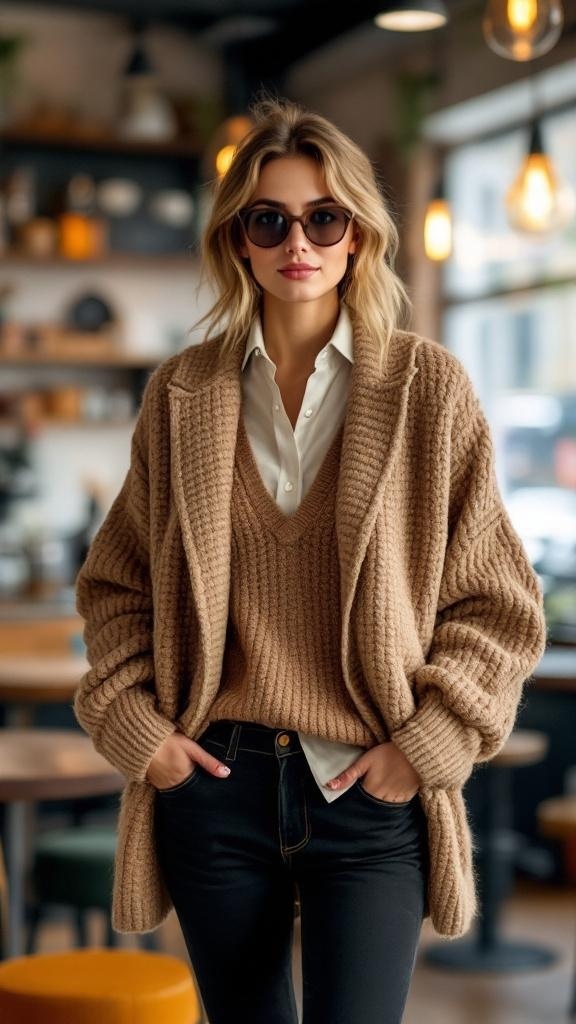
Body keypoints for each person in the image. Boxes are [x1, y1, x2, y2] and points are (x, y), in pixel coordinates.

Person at [73, 96, 548, 1024]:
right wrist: (146, 738)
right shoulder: (183, 394)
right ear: (239, 241)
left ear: (359, 237)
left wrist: (428, 748)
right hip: (215, 788)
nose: (301, 240)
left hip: (369, 795)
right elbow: (115, 586)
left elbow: (498, 603)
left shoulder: (427, 387)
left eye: (324, 217)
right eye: (271, 218)